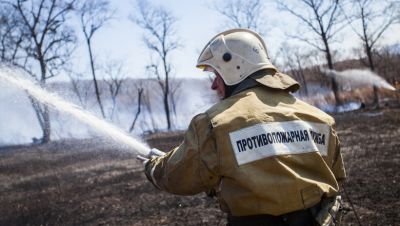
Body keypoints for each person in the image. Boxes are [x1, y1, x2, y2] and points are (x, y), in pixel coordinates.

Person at [140, 29, 346, 226]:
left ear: (235, 69)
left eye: (216, 75)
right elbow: (336, 176)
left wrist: (153, 166)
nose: (213, 85)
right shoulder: (321, 119)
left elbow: (177, 176)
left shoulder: (215, 124)